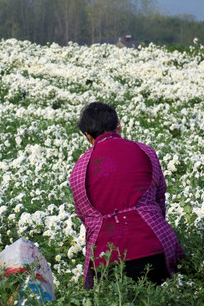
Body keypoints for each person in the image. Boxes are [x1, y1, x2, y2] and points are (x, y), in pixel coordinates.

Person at [69, 102, 183, 289]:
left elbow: (85, 216)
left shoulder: (80, 168)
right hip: (156, 249)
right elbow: (159, 197)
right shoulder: (145, 151)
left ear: (87, 136)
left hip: (108, 261)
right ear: (119, 125)